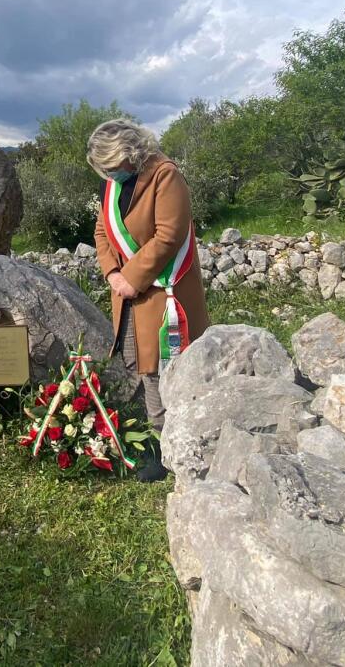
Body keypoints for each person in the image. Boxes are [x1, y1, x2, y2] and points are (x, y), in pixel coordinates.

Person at [88, 119, 209, 482]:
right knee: (142, 365)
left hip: (164, 291)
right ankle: (159, 440)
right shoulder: (113, 183)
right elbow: (101, 230)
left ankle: (177, 444)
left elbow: (169, 234)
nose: (109, 174)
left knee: (163, 367)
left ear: (130, 153)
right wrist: (112, 274)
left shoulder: (164, 175)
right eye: (104, 169)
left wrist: (132, 277)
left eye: (112, 166)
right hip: (129, 293)